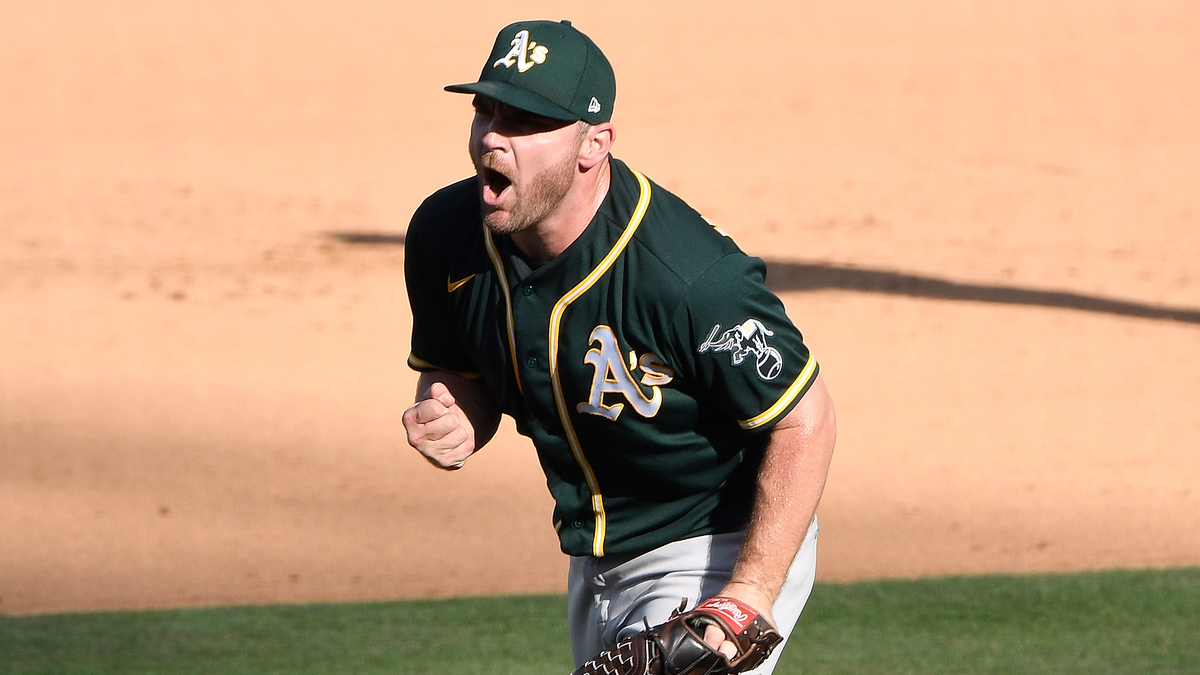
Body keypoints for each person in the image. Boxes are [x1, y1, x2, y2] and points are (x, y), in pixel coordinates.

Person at [401, 19, 836, 674]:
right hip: (595, 562)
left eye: (523, 121)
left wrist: (745, 599)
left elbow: (807, 419)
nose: (492, 136)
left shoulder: (688, 276)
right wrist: (455, 412)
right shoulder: (446, 237)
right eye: (485, 110)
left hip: (716, 546)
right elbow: (459, 372)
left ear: (593, 144)